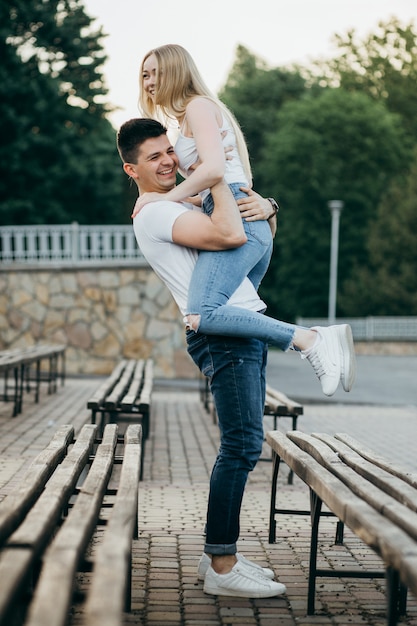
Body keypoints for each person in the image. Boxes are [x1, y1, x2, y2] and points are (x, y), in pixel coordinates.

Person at [116, 118, 355, 598]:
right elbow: (230, 234)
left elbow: (254, 237)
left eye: (169, 151)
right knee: (242, 447)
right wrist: (217, 170)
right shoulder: (157, 213)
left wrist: (268, 205)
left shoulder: (176, 201)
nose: (167, 161)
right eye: (154, 157)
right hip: (223, 337)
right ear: (131, 169)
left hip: (238, 330)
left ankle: (217, 557)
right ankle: (222, 565)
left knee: (241, 445)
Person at [134, 43, 276, 342]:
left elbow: (214, 171)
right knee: (238, 330)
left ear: (176, 72)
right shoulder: (186, 119)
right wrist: (186, 197)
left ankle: (311, 340)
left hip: (239, 218)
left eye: (156, 73)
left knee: (203, 313)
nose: (148, 83)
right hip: (236, 212)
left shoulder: (197, 107)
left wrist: (163, 198)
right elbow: (209, 184)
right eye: (145, 75)